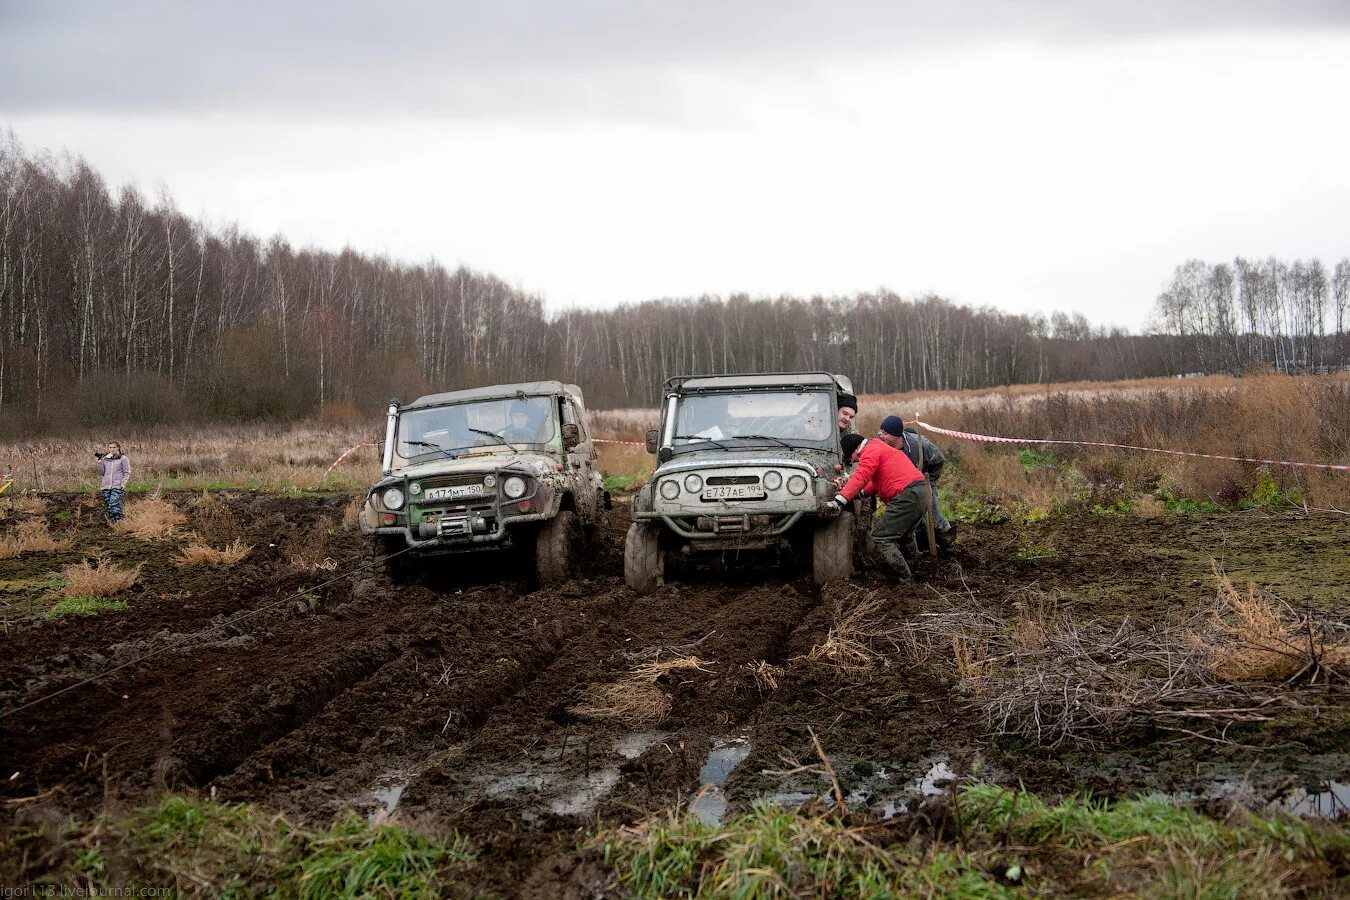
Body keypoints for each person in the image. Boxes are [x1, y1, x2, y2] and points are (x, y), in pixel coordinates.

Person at [826, 433, 930, 581]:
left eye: (851, 456)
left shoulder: (870, 451)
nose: (853, 460)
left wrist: (840, 500)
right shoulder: (879, 447)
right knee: (905, 535)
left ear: (855, 449)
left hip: (908, 494)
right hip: (921, 491)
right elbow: (875, 483)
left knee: (881, 537)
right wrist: (858, 493)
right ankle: (914, 568)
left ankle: (905, 577)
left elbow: (861, 476)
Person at [877, 415, 956, 552]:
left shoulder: (919, 446)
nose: (880, 435)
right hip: (905, 486)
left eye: (885, 433)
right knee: (914, 517)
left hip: (923, 479)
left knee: (933, 512)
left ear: (896, 435)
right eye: (881, 431)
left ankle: (948, 545)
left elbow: (938, 460)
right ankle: (923, 546)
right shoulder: (882, 444)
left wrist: (929, 481)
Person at [95, 442, 130, 524]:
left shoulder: (123, 458)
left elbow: (127, 472)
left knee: (113, 503)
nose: (112, 449)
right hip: (106, 486)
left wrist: (123, 483)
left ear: (118, 448)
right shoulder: (105, 459)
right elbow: (102, 472)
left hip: (117, 485)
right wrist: (99, 463)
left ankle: (119, 523)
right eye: (110, 447)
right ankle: (114, 523)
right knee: (109, 506)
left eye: (114, 447)